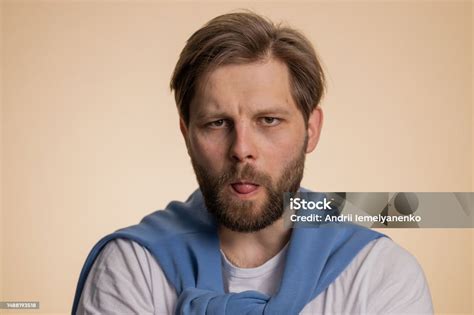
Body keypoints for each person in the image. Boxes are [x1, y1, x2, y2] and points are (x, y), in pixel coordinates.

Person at [72, 11, 433, 314]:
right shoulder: (132, 267)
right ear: (186, 133)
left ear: (311, 129)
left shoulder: (378, 272)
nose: (242, 149)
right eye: (217, 123)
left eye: (268, 120)